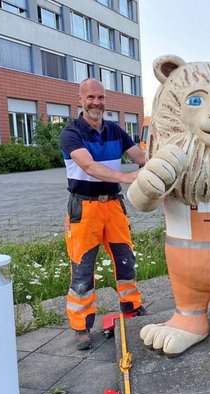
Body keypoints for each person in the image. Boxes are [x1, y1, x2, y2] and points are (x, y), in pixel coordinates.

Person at [60, 78, 146, 350]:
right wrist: (128, 176)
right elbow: (89, 166)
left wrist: (164, 160)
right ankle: (81, 327)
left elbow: (142, 157)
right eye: (91, 97)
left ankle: (131, 309)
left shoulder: (116, 131)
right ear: (80, 99)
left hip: (113, 206)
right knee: (82, 269)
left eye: (101, 97)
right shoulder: (71, 133)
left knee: (126, 261)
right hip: (84, 209)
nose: (96, 102)